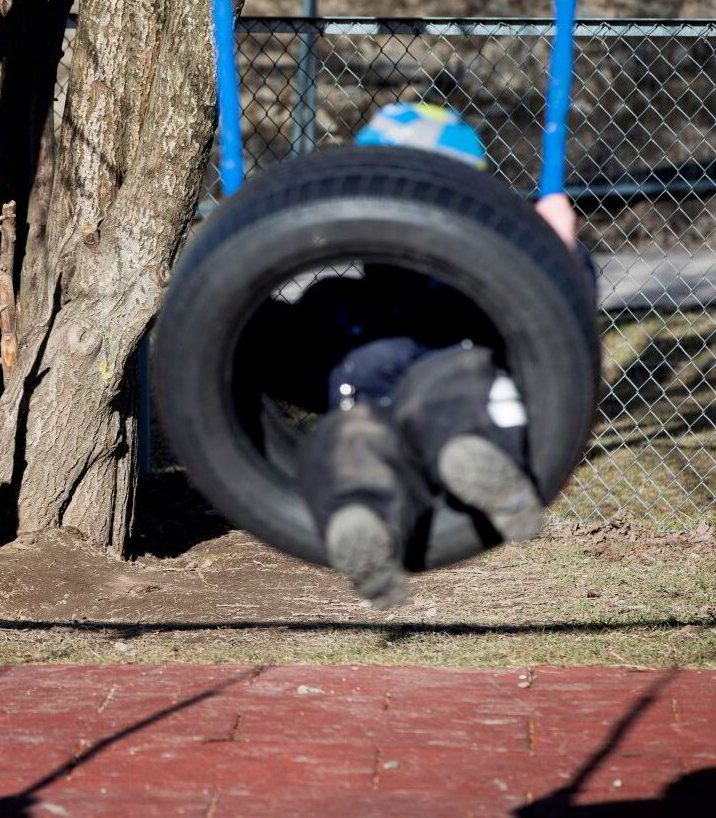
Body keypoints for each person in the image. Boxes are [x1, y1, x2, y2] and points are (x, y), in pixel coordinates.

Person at [241, 103, 595, 608]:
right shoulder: (342, 304)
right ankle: (365, 525)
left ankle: (456, 468)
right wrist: (226, 294)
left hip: (402, 386)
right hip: (394, 391)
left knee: (376, 430)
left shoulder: (480, 283)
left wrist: (558, 248)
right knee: (366, 436)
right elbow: (273, 344)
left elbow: (558, 317)